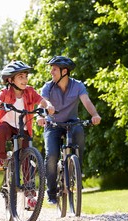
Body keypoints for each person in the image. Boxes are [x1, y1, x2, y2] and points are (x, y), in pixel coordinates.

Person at [37, 56, 101, 204]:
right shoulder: (48, 86)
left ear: (64, 71)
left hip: (71, 123)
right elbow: (42, 103)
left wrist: (95, 115)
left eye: (54, 69)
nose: (51, 72)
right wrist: (40, 117)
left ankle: (76, 173)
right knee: (52, 155)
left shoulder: (78, 85)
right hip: (52, 125)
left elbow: (87, 101)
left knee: (79, 133)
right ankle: (51, 192)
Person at [0, 60, 55, 171]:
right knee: (0, 129)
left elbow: (42, 101)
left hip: (23, 128)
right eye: (20, 77)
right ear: (10, 80)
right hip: (8, 127)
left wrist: (49, 105)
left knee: (26, 158)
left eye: (26, 76)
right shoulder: (6, 92)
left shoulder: (30, 91)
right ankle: (0, 158)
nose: (25, 80)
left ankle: (29, 186)